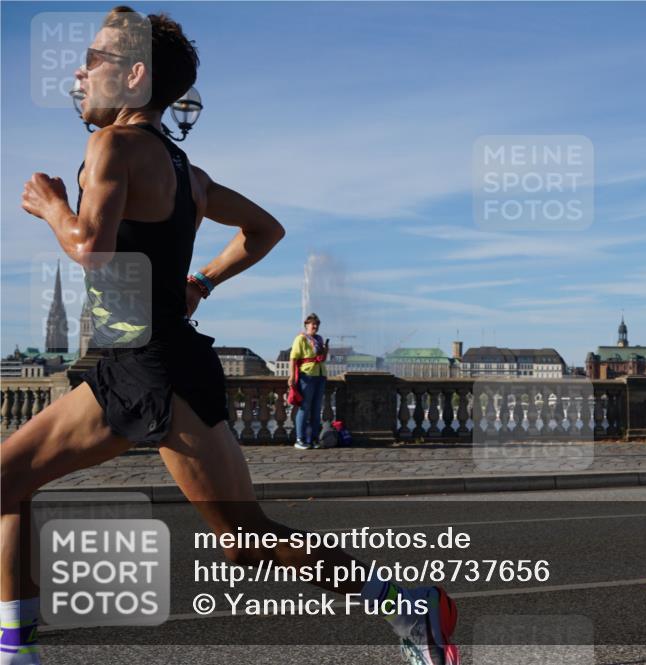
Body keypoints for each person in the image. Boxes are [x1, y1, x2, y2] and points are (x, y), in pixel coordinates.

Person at [4, 7, 458, 665]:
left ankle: (16, 651)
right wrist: (202, 283)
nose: (80, 71)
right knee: (242, 537)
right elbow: (265, 230)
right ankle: (408, 603)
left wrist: (53, 208)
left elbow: (93, 251)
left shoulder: (112, 148)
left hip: (142, 367)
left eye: (94, 58)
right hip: (166, 364)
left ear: (134, 77)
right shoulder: (190, 176)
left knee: (14, 483)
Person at [288, 313, 330, 449]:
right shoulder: (300, 339)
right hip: (307, 375)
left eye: (317, 324)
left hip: (320, 375)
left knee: (317, 409)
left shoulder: (319, 339)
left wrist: (325, 351)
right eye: (313, 324)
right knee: (304, 408)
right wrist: (292, 377)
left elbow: (322, 358)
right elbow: (293, 358)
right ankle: (300, 439)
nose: (315, 326)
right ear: (307, 325)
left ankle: (314, 439)